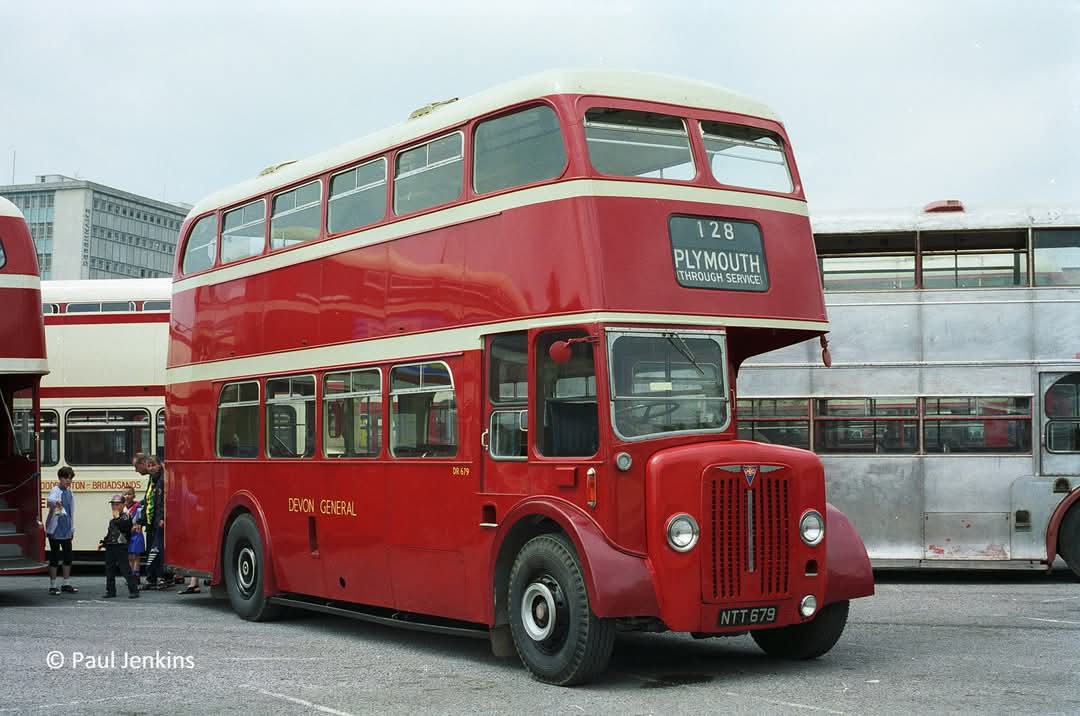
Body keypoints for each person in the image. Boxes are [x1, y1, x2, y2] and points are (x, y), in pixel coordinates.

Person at [98, 494, 139, 599]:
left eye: (117, 504)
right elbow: (110, 533)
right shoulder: (112, 521)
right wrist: (104, 542)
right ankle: (111, 590)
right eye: (113, 505)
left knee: (125, 569)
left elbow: (123, 527)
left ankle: (134, 590)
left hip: (121, 546)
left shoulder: (126, 516)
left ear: (122, 505)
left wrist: (116, 518)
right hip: (111, 546)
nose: (114, 507)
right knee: (109, 569)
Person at [45, 466, 77, 595]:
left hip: (67, 529)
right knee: (54, 557)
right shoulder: (55, 490)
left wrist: (72, 528)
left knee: (68, 557)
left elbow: (71, 511)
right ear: (60, 478)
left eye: (70, 478)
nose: (68, 481)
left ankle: (66, 583)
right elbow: (50, 500)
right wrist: (56, 502)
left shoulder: (70, 492)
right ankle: (53, 585)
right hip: (55, 529)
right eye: (65, 478)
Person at [140, 455, 167, 589]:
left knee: (158, 550)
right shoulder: (152, 480)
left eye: (153, 465)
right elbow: (148, 500)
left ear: (159, 465)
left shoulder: (162, 480)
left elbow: (163, 502)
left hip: (159, 521)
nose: (150, 468)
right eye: (149, 465)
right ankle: (151, 578)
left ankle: (162, 578)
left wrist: (162, 518)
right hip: (151, 521)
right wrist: (141, 520)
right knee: (150, 549)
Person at [122, 487, 144, 585]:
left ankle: (136, 575)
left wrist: (136, 526)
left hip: (136, 534)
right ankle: (130, 575)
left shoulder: (138, 507)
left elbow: (140, 520)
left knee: (136, 555)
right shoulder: (122, 508)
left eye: (129, 494)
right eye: (125, 494)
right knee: (129, 556)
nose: (127, 496)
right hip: (127, 535)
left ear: (134, 496)